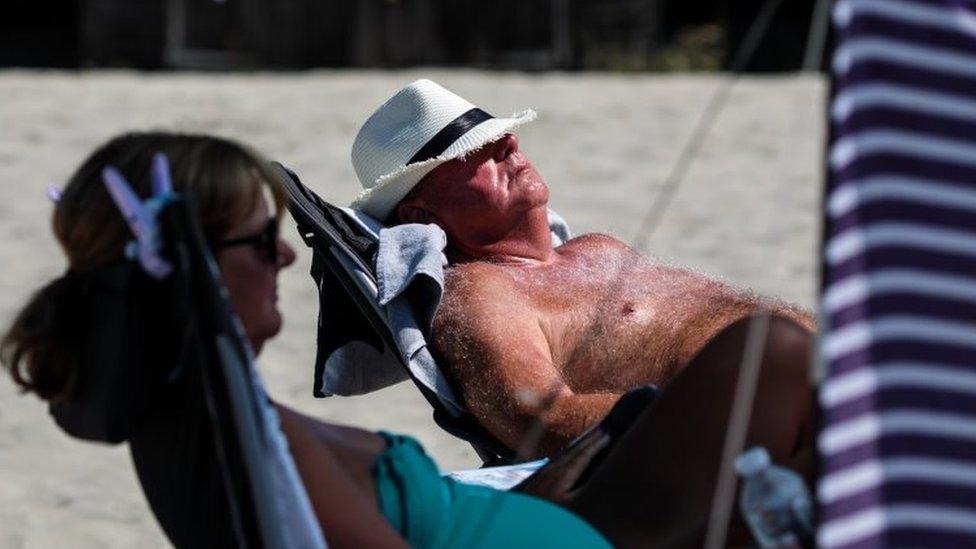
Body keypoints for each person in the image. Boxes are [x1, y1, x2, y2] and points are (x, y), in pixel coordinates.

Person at [3, 131, 774, 548]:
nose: (281, 256)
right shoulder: (250, 437)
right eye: (255, 241)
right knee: (771, 361)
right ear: (195, 271)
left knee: (778, 363)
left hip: (549, 505)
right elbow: (533, 410)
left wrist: (532, 488)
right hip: (610, 522)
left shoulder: (212, 416)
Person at [349, 79, 816, 523]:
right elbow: (540, 420)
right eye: (472, 152)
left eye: (500, 135)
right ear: (420, 213)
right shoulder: (481, 291)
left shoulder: (599, 247)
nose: (508, 145)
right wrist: (716, 416)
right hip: (766, 437)